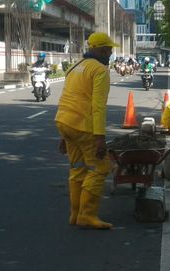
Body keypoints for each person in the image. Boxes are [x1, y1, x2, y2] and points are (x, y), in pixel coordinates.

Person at [55, 32, 119, 229]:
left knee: (77, 168)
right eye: (108, 49)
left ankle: (75, 214)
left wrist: (64, 136)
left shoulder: (74, 67)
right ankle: (87, 214)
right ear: (100, 50)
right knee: (101, 168)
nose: (110, 53)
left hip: (64, 122)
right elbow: (98, 106)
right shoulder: (99, 70)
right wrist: (100, 138)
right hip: (83, 126)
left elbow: (67, 97)